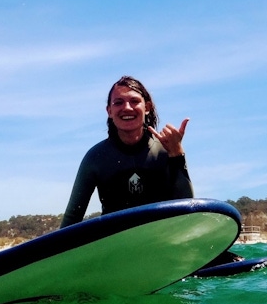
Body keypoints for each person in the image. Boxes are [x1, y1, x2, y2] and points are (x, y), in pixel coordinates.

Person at [60, 76, 194, 228]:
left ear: (147, 107)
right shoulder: (96, 158)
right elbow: (72, 217)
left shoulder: (166, 150)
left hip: (161, 237)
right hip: (116, 240)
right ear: (109, 111)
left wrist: (177, 155)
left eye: (134, 101)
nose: (127, 108)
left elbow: (188, 211)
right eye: (118, 103)